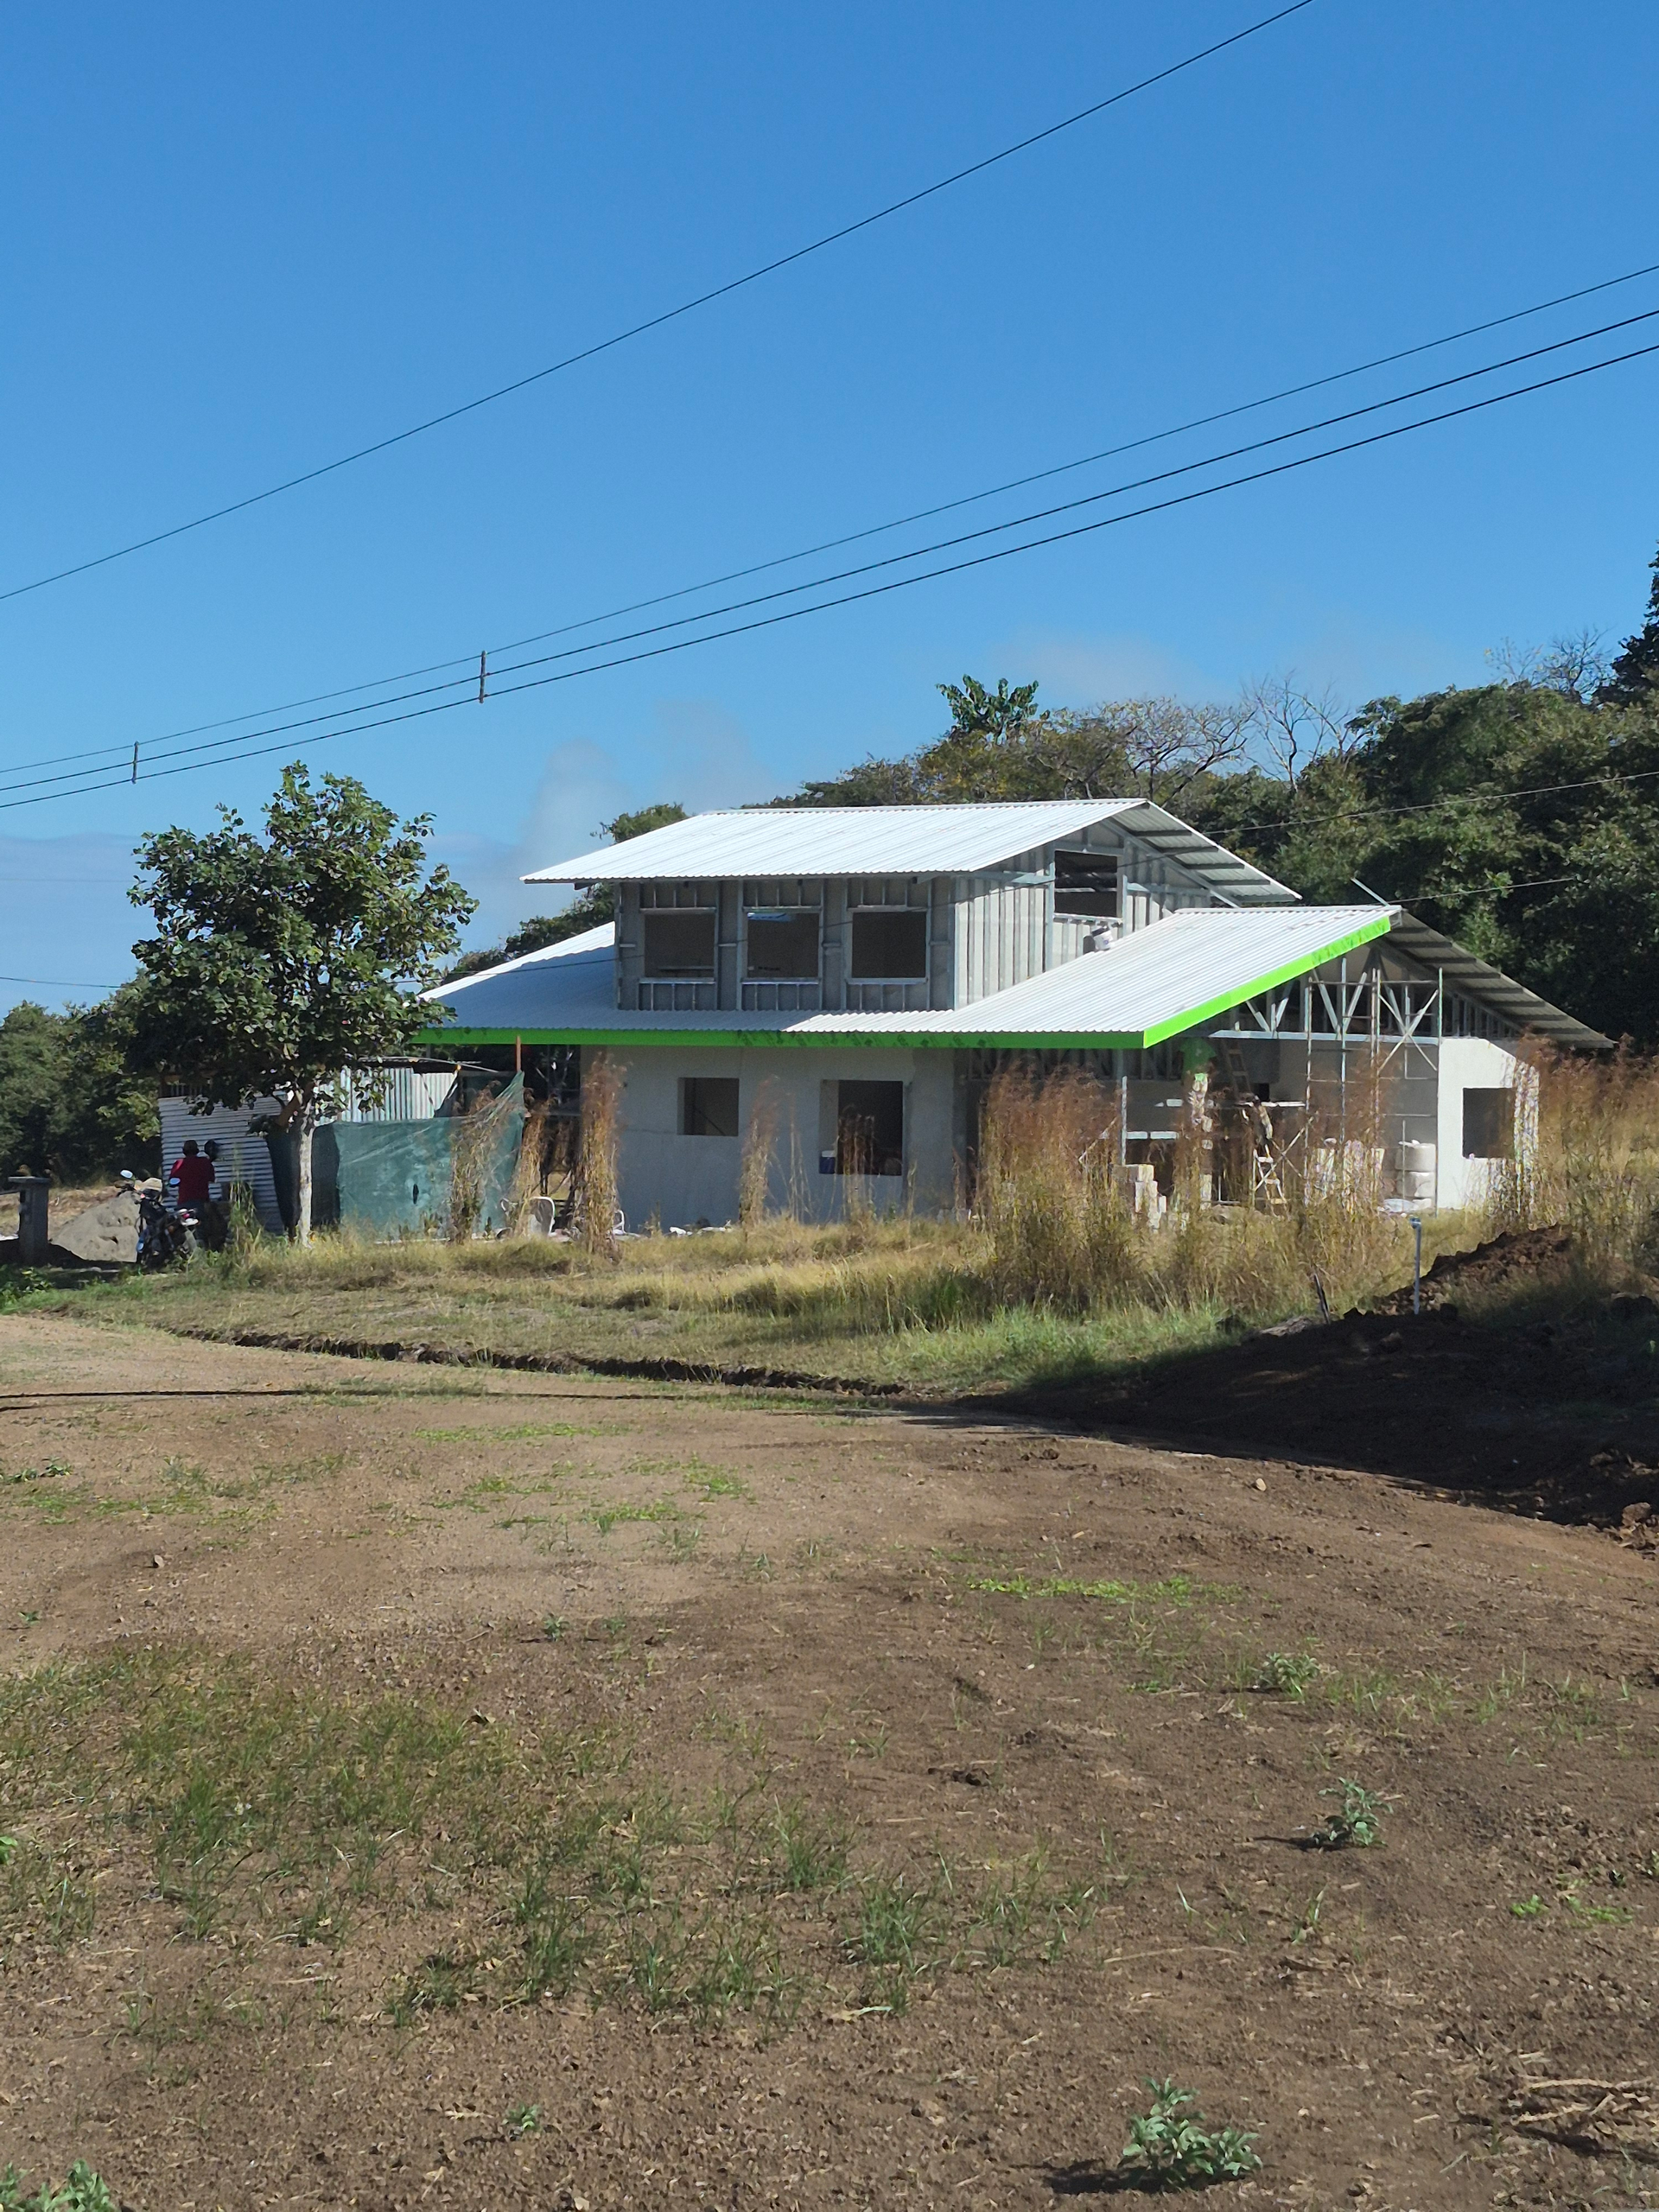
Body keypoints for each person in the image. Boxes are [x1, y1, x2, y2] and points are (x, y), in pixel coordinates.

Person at [168, 1139, 214, 1211]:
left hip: (184, 1202)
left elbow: (172, 1183)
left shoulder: (179, 1163)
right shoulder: (205, 1162)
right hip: (202, 1202)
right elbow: (211, 1179)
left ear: (184, 1151)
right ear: (197, 1150)